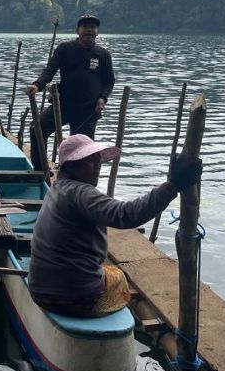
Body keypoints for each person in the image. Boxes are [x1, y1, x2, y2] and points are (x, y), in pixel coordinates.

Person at [29, 134, 203, 318]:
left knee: (108, 271)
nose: (97, 167)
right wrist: (172, 186)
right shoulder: (81, 192)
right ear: (71, 167)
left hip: (38, 291)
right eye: (89, 162)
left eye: (98, 161)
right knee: (119, 278)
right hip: (74, 297)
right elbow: (127, 214)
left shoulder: (56, 190)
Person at [25, 13, 114, 171]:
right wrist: (37, 85)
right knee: (36, 128)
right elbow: (50, 70)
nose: (89, 30)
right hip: (63, 106)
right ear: (77, 30)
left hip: (88, 110)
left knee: (83, 149)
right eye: (85, 27)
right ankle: (40, 170)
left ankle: (77, 182)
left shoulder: (103, 54)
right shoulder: (65, 49)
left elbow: (109, 81)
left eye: (93, 27)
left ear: (97, 32)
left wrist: (103, 98)